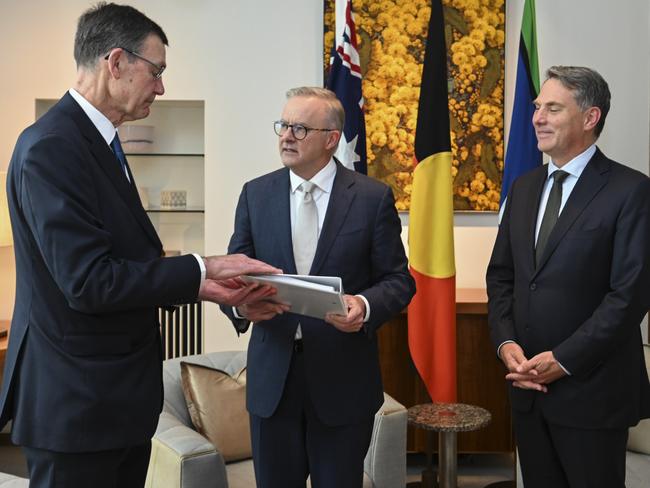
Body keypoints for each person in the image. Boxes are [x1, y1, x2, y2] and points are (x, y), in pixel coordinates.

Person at [0, 3, 280, 488]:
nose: (162, 86)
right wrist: (202, 267)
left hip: (108, 405)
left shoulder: (97, 142)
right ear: (115, 62)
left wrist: (207, 286)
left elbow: (126, 263)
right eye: (157, 70)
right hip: (78, 409)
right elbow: (88, 282)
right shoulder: (53, 146)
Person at [220, 87, 415, 488]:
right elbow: (231, 274)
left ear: (331, 139)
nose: (286, 136)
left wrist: (363, 305)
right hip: (273, 383)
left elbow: (399, 280)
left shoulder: (371, 198)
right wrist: (241, 308)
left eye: (299, 128)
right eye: (283, 125)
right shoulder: (256, 194)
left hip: (343, 383)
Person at [487, 65, 650, 488]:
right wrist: (506, 344)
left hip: (593, 395)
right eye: (537, 107)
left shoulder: (631, 191)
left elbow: (628, 296)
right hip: (527, 389)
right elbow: (502, 277)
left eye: (552, 109)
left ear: (590, 117)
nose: (537, 117)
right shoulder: (524, 187)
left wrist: (562, 360)